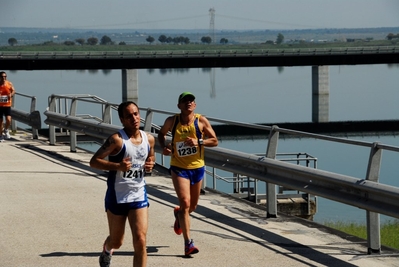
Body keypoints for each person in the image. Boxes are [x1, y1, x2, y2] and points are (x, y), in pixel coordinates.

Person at [90, 101, 155, 267]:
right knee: (117, 241)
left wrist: (150, 165)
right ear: (122, 119)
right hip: (117, 196)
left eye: (136, 114)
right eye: (129, 116)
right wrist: (117, 166)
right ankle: (107, 249)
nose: (134, 118)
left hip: (138, 194)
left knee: (140, 240)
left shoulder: (149, 139)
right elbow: (94, 161)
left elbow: (150, 158)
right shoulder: (116, 140)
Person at [157, 92, 218, 256]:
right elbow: (161, 134)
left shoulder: (201, 121)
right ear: (179, 106)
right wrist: (165, 147)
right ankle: (188, 243)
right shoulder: (172, 121)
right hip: (179, 167)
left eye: (191, 101)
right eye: (184, 101)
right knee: (185, 202)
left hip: (197, 168)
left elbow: (215, 140)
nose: (188, 103)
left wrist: (199, 141)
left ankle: (179, 215)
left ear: (195, 105)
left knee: (192, 207)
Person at [0, 71, 16, 140]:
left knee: (9, 119)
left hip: (7, 105)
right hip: (0, 106)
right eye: (2, 77)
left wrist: (11, 95)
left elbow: (13, 91)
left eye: (5, 76)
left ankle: (6, 129)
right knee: (0, 122)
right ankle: (1, 135)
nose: (4, 78)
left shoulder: (9, 83)